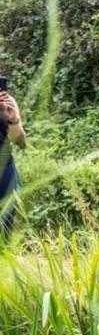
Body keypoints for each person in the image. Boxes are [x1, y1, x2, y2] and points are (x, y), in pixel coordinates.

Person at [0, 85, 26, 238]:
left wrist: (14, 119)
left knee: (6, 230)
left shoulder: (8, 102)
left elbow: (21, 142)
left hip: (5, 172)